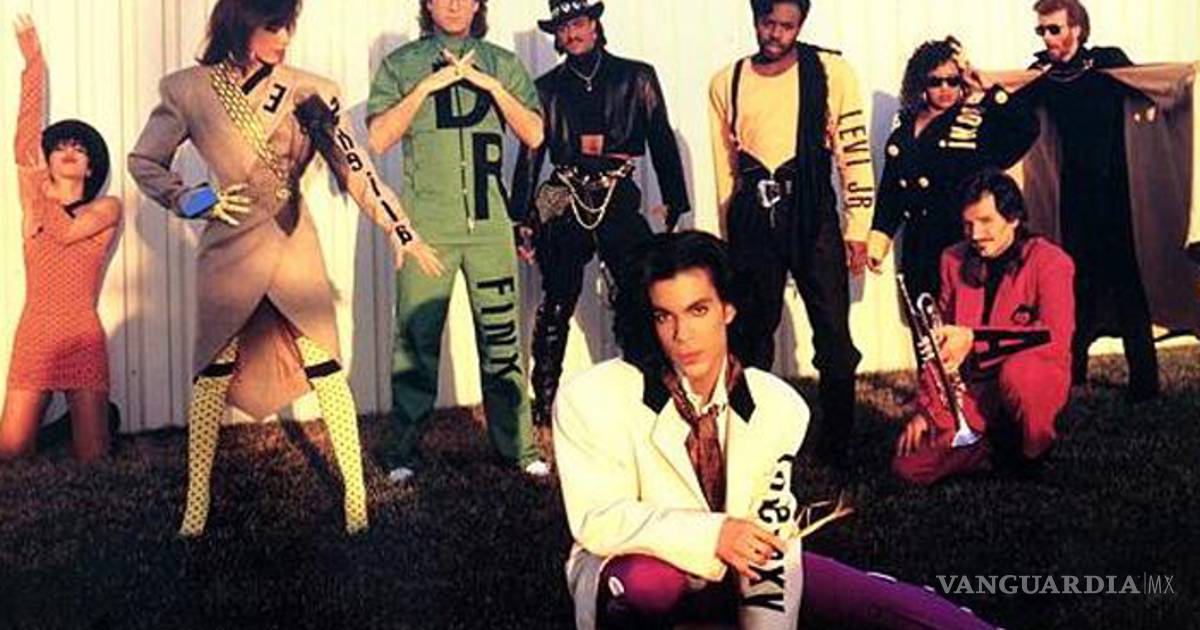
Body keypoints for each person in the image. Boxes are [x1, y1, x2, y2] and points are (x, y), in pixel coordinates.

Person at [555, 230, 995, 629]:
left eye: (698, 310)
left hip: (744, 569)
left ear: (728, 309)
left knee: (899, 609)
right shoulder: (593, 397)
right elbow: (599, 519)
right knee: (646, 584)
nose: (682, 334)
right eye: (663, 316)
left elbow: (771, 542)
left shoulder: (779, 407)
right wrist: (715, 534)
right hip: (643, 570)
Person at [128, 0, 440, 536]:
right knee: (213, 370)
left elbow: (357, 169)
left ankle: (356, 499)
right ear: (241, 24)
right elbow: (144, 161)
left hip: (294, 245)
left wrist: (399, 228)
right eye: (273, 27)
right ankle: (195, 505)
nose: (283, 39)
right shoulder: (188, 90)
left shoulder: (311, 90)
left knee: (325, 365)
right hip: (228, 250)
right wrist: (191, 199)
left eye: (287, 27)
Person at [367, 0, 548, 481]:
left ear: (478, 4)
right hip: (428, 228)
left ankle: (518, 448)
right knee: (416, 339)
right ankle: (402, 451)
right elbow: (378, 138)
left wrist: (491, 86)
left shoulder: (501, 62)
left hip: (490, 226)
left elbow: (534, 134)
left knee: (502, 340)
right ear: (427, 3)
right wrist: (427, 87)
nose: (453, 4)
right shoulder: (402, 64)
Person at [708, 0, 875, 465]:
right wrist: (728, 234)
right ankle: (750, 437)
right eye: (768, 23)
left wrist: (858, 226)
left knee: (834, 334)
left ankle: (836, 444)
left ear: (801, 25)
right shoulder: (727, 81)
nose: (776, 34)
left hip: (813, 212)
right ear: (755, 19)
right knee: (750, 333)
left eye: (787, 25)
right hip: (754, 217)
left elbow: (853, 150)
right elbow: (725, 168)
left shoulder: (831, 72)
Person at [511, 0, 691, 427]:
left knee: (639, 294)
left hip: (617, 195)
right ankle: (544, 407)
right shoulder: (545, 88)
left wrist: (675, 200)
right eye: (562, 27)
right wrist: (521, 217)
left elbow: (661, 139)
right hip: (565, 195)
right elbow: (531, 153)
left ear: (594, 24)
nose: (571, 34)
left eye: (578, 23)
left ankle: (651, 393)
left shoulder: (637, 77)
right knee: (557, 299)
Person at [894, 169, 1074, 485]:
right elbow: (941, 346)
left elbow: (1054, 336)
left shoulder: (1050, 261)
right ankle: (990, 447)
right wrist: (926, 409)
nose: (975, 234)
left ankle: (1033, 451)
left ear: (1014, 218)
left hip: (1032, 375)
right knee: (909, 467)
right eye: (968, 224)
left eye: (986, 221)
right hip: (977, 389)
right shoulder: (952, 259)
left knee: (1019, 374)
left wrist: (973, 339)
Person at [1022, 0, 1158, 401]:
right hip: (1075, 195)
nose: (1047, 38)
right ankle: (1072, 373)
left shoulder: (1107, 63)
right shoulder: (1043, 74)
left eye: (1054, 29)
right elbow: (1011, 99)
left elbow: (1153, 86)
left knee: (1126, 281)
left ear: (1077, 29)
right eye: (1041, 31)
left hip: (1116, 192)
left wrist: (1187, 80)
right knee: (1073, 281)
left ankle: (1144, 383)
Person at [1, 15, 121, 462]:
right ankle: (57, 429)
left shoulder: (107, 208)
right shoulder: (34, 199)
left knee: (93, 459)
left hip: (81, 335)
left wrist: (39, 190)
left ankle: (94, 421)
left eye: (80, 148)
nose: (69, 151)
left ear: (90, 168)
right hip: (34, 331)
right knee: (11, 453)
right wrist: (34, 63)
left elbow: (67, 232)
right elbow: (23, 140)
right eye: (60, 146)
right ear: (48, 159)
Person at [868, 36, 1039, 302]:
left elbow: (1026, 128)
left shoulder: (975, 120)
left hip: (963, 244)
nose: (945, 88)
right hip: (918, 246)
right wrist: (880, 237)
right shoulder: (902, 131)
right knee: (924, 319)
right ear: (921, 84)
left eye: (953, 80)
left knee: (963, 319)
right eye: (935, 82)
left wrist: (990, 89)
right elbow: (892, 192)